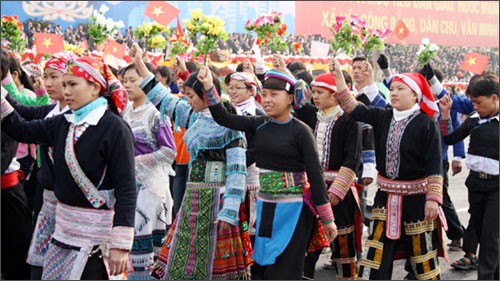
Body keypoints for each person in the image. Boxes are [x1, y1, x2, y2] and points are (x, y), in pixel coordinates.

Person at [1, 55, 137, 280]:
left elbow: (126, 187)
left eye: (73, 84)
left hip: (94, 238)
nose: (66, 91)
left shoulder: (114, 128)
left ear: (95, 87)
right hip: (62, 234)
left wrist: (120, 245)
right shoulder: (64, 121)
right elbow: (21, 129)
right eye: (64, 84)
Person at [129, 44, 253, 280]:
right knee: (185, 253)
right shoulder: (195, 114)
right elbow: (163, 99)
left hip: (219, 199)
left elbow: (237, 170)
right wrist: (139, 63)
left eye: (191, 95)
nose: (187, 100)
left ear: (206, 94)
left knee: (215, 258)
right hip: (194, 197)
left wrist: (230, 210)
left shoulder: (231, 125)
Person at [204, 63, 337, 279]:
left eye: (274, 94)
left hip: (294, 211)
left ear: (290, 98)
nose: (267, 99)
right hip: (265, 207)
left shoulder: (301, 132)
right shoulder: (260, 124)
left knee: (286, 269)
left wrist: (327, 218)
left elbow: (315, 175)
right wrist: (210, 88)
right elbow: (223, 117)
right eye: (264, 94)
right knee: (262, 265)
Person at [330, 57, 445, 280]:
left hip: (417, 199)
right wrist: (338, 77)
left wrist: (433, 197)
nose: (393, 93)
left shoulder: (426, 123)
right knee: (376, 255)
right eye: (392, 89)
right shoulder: (383, 116)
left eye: (400, 89)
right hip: (385, 197)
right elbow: (352, 108)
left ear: (415, 95)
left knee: (422, 256)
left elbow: (434, 162)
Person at [2, 51, 77, 280]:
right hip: (47, 198)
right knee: (40, 264)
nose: (49, 83)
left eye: (56, 77)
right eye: (47, 76)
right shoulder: (52, 112)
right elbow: (20, 117)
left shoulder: (93, 121)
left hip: (74, 208)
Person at [297, 72, 362, 279]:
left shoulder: (350, 121)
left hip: (338, 192)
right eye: (313, 92)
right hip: (311, 188)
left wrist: (336, 191)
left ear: (334, 95)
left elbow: (352, 159)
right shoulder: (309, 116)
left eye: (320, 92)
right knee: (307, 239)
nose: (314, 96)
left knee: (342, 240)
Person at [439, 76, 499, 280]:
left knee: (490, 236)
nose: (476, 107)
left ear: (494, 98)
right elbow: (450, 138)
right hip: (475, 185)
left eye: (479, 102)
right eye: (473, 103)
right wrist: (445, 115)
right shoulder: (474, 120)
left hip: (497, 187)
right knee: (483, 232)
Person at [121, 63, 176, 280]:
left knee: (145, 252)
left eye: (133, 80)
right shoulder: (125, 111)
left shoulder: (155, 113)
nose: (127, 85)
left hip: (150, 189)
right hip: (128, 186)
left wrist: (135, 161)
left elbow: (169, 151)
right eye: (124, 80)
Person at [223, 69, 265, 245]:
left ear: (250, 91)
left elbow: (255, 149)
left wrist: (237, 165)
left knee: (249, 221)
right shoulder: (228, 111)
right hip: (229, 173)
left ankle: (252, 260)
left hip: (249, 175)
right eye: (230, 87)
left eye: (237, 88)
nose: (232, 91)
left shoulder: (256, 113)